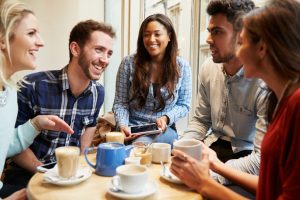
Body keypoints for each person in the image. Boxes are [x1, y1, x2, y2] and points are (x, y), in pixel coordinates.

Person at [171, 0, 300, 199]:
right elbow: (269, 187)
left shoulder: (292, 104)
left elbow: (263, 171)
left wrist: (207, 180)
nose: (239, 51)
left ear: (262, 48)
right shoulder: (282, 98)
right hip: (216, 152)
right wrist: (188, 152)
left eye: (243, 42)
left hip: (241, 157)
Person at [3, 19, 116, 191]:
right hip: (29, 174)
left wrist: (81, 169)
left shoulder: (98, 93)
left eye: (109, 53)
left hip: (71, 175)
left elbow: (86, 138)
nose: (105, 60)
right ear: (75, 49)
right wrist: (47, 172)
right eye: (99, 50)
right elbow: (11, 143)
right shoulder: (32, 86)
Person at [182, 0, 268, 185]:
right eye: (209, 31)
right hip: (213, 145)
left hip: (246, 155)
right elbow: (201, 120)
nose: (208, 39)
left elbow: (260, 161)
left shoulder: (264, 82)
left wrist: (212, 176)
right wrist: (182, 147)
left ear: (241, 35)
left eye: (217, 32)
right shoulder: (208, 67)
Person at [0, 0, 73, 199]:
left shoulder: (10, 91)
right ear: (2, 39)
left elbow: (4, 144)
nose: (40, 42)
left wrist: (36, 124)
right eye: (31, 33)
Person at [113, 14, 192, 145]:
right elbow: (120, 103)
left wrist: (166, 118)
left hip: (163, 129)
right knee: (137, 147)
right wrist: (122, 125)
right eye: (146, 35)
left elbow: (184, 104)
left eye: (157, 34)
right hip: (130, 127)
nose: (151, 39)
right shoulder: (128, 63)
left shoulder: (182, 66)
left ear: (169, 36)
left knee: (142, 145)